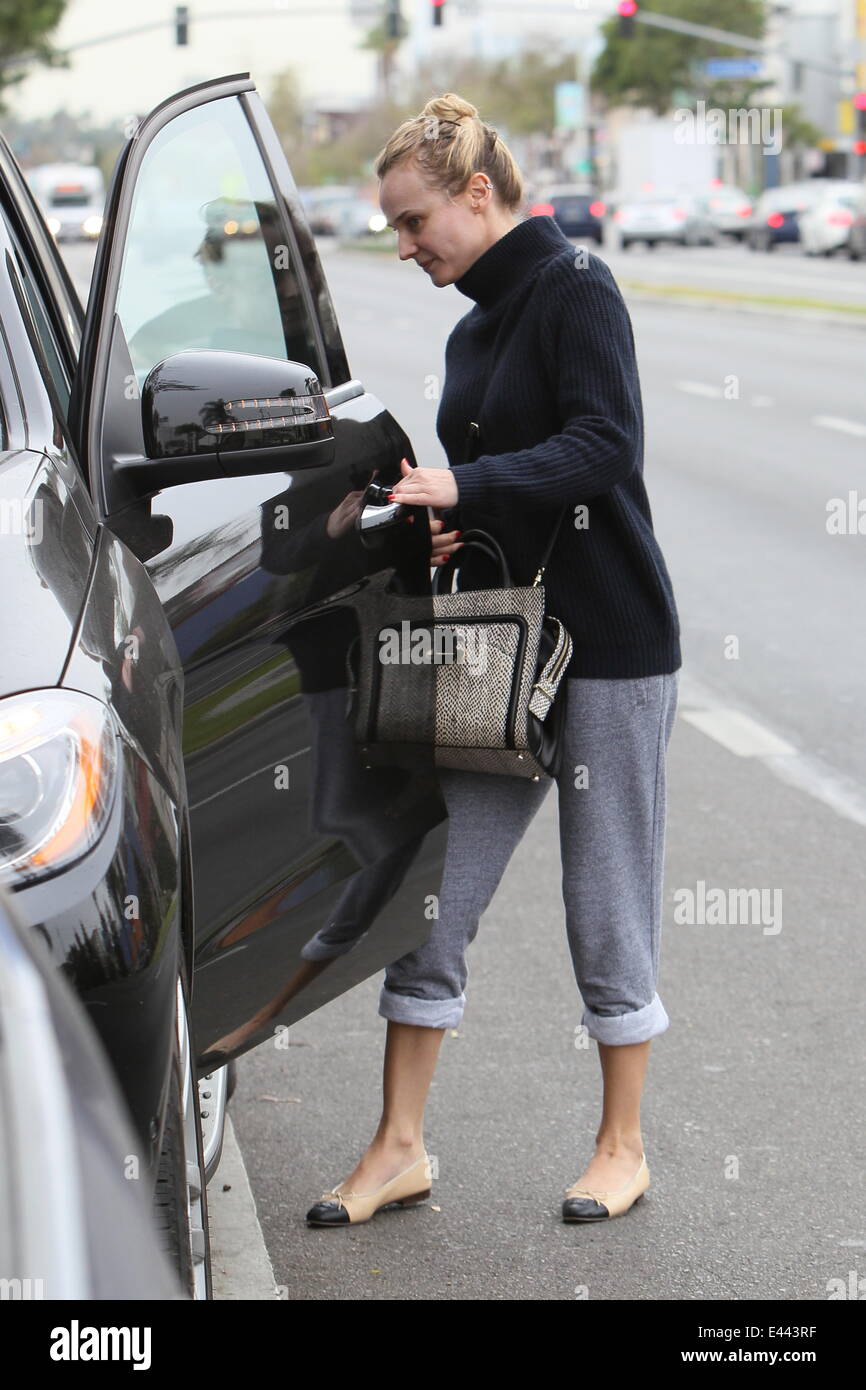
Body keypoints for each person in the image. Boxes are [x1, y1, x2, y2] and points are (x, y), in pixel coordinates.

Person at [305, 93, 682, 1229]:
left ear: (479, 194)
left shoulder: (575, 288)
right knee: (433, 894)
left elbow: (603, 441)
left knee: (602, 903)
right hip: (489, 646)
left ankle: (620, 1147)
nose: (405, 244)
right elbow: (495, 482)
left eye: (414, 221)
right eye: (394, 227)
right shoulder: (471, 327)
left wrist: (467, 483)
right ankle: (397, 1146)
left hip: (607, 643)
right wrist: (426, 517)